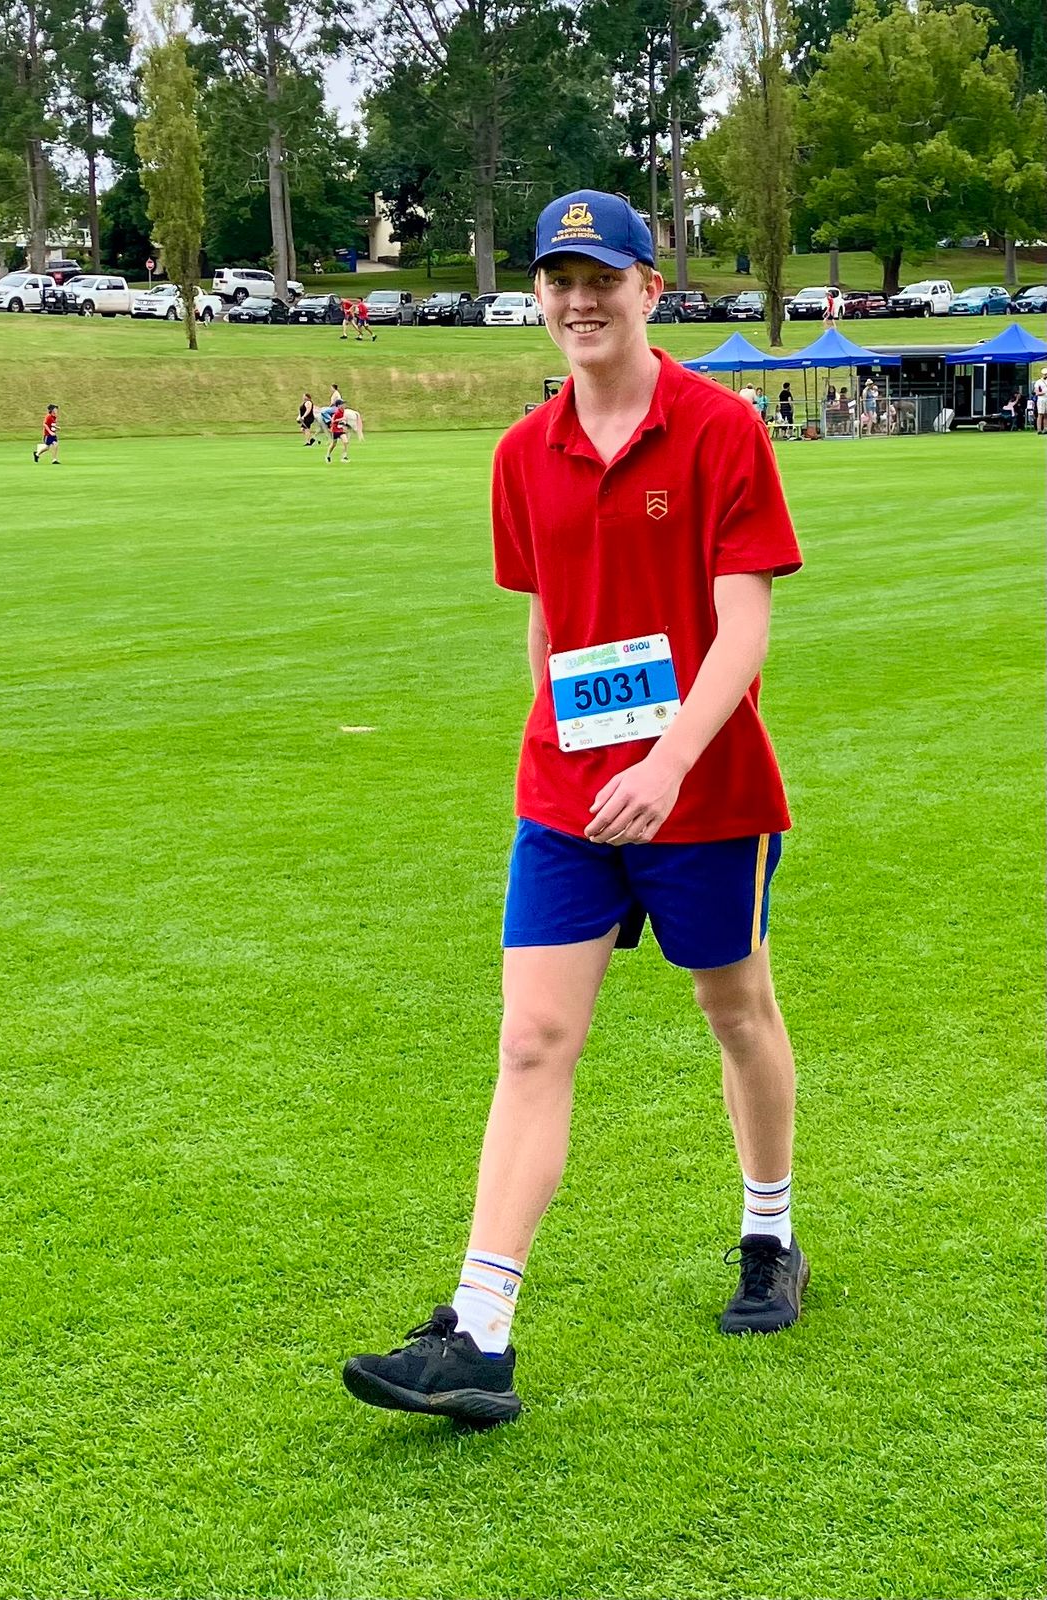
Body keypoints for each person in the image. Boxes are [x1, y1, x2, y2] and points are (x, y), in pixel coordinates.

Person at [343, 188, 805, 1426]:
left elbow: (744, 626)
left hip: (703, 789)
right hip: (568, 793)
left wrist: (666, 764)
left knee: (736, 1008)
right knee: (534, 1039)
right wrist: (562, 743)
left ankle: (770, 1233)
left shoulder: (719, 431)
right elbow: (550, 620)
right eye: (560, 279)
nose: (581, 300)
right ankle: (479, 1332)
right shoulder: (520, 454)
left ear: (652, 288)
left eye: (604, 278)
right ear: (538, 296)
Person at [1033, 368, 1047, 435]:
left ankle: (1045, 428)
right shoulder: (1038, 382)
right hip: (1041, 399)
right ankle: (1039, 429)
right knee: (1040, 414)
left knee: (1046, 414)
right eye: (1045, 374)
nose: (1046, 375)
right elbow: (1036, 392)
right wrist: (1043, 393)